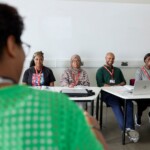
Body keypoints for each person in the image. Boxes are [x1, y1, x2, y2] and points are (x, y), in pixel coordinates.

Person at [0, 3, 108, 150]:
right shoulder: (60, 107)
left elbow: (85, 83)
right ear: (12, 46)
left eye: (77, 60)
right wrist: (93, 128)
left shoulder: (72, 74)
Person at [96, 52, 139, 143]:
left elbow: (123, 82)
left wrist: (115, 85)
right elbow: (101, 84)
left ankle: (130, 128)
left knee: (129, 102)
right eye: (109, 58)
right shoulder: (100, 71)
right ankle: (125, 129)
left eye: (112, 58)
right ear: (105, 58)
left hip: (120, 93)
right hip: (108, 95)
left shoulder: (118, 70)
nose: (110, 60)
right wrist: (114, 85)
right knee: (116, 104)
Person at [135, 53, 150, 126]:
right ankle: (138, 115)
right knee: (143, 103)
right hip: (142, 93)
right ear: (145, 61)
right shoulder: (140, 70)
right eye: (149, 59)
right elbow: (138, 84)